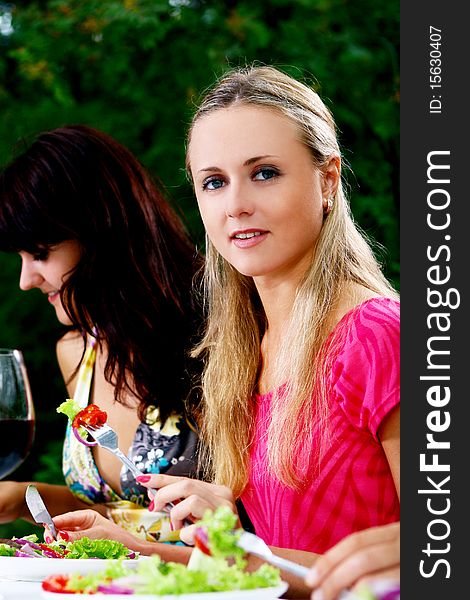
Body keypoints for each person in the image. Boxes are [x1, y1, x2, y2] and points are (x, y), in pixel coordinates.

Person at [44, 66, 400, 597]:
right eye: (214, 182)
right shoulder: (243, 349)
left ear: (327, 179)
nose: (235, 204)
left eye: (264, 173)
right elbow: (274, 565)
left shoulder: (378, 336)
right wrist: (140, 547)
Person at [0, 125, 203, 543]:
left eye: (40, 254)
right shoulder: (78, 351)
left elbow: (254, 509)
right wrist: (21, 499)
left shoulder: (213, 328)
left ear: (100, 230)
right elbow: (118, 517)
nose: (26, 280)